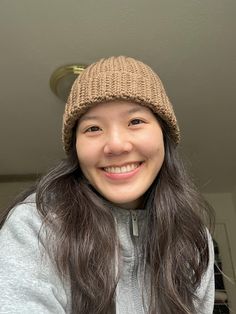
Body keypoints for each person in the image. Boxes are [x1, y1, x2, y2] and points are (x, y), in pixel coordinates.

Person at [0, 56, 215, 314]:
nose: (115, 145)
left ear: (164, 133)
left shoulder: (193, 239)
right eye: (93, 128)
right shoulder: (37, 225)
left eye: (135, 121)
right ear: (76, 148)